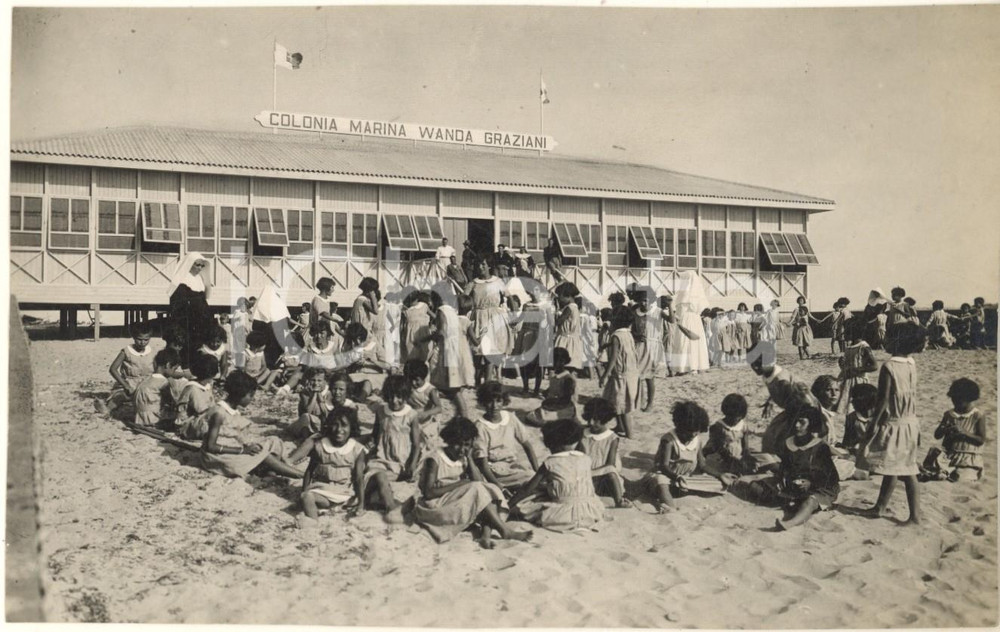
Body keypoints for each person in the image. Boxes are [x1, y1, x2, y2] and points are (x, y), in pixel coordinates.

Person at [413, 417, 532, 548]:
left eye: (466, 445)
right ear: (449, 441)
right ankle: (504, 530)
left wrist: (469, 458)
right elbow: (428, 493)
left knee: (489, 489)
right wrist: (460, 484)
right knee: (477, 489)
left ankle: (486, 535)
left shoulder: (463, 458)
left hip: (454, 501)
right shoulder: (435, 459)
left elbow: (479, 481)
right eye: (457, 444)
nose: (461, 449)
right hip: (435, 506)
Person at [858, 321, 925, 524]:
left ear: (895, 340)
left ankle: (915, 516)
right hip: (911, 422)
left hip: (895, 422)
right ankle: (880, 507)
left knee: (908, 470)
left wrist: (873, 424)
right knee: (896, 466)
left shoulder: (889, 366)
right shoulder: (910, 362)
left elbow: (883, 400)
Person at [741, 406, 840, 530]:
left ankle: (789, 523)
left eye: (802, 422)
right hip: (794, 486)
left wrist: (810, 483)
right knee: (755, 487)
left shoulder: (820, 447)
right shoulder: (789, 443)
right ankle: (792, 501)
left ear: (811, 425)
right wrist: (782, 480)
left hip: (820, 487)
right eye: (795, 421)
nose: (797, 425)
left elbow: (831, 477)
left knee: (810, 501)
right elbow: (785, 466)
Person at [198, 372, 303, 480]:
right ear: (239, 395)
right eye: (250, 395)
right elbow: (211, 446)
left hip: (234, 448)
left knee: (274, 442)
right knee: (263, 454)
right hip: (219, 457)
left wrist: (249, 445)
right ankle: (300, 475)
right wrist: (243, 451)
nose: (251, 399)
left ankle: (270, 473)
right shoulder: (219, 413)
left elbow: (235, 435)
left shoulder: (233, 410)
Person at [509, 418, 606, 531]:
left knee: (528, 503)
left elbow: (528, 489)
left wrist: (509, 504)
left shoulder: (550, 462)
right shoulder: (586, 459)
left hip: (563, 515)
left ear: (552, 444)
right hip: (590, 511)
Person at [287, 408, 368, 528]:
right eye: (335, 425)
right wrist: (303, 492)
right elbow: (309, 471)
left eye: (344, 425)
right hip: (323, 492)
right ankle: (313, 520)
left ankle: (317, 515)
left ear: (352, 428)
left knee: (309, 498)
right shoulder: (321, 446)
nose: (339, 430)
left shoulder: (356, 449)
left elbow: (359, 477)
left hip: (344, 494)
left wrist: (361, 504)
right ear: (329, 426)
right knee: (306, 496)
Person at [641, 401, 727, 513]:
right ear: (679, 425)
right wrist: (676, 477)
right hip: (668, 477)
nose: (693, 435)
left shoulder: (697, 441)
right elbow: (663, 466)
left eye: (696, 432)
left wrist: (720, 475)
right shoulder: (669, 441)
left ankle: (681, 491)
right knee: (660, 481)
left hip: (685, 479)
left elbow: (702, 465)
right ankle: (669, 506)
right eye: (689, 431)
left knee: (720, 483)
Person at [473, 381, 539, 490]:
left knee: (532, 477)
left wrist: (537, 473)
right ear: (483, 402)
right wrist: (498, 486)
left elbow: (527, 445)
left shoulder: (510, 418)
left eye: (498, 401)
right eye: (490, 401)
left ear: (504, 401)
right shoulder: (480, 427)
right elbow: (483, 463)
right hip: (493, 472)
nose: (494, 406)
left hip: (512, 466)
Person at [921, 378, 987, 482]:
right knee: (935, 471)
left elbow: (981, 440)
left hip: (967, 457)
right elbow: (937, 435)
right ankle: (941, 472)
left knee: (959, 476)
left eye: (958, 400)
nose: (955, 403)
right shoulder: (949, 414)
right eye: (953, 399)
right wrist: (943, 429)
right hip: (949, 455)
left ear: (969, 399)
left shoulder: (977, 415)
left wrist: (964, 433)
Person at [427, 291, 475, 417]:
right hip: (457, 350)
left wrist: (429, 337)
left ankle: (463, 416)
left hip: (449, 353)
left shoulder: (441, 311)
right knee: (448, 385)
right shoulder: (452, 311)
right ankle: (459, 415)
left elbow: (442, 332)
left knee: (451, 388)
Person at [465, 260, 512, 383]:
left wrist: (514, 314)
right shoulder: (473, 283)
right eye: (478, 264)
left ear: (489, 266)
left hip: (494, 319)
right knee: (478, 350)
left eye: (483, 264)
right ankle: (477, 380)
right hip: (479, 317)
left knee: (491, 351)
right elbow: (463, 299)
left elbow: (510, 297)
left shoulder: (497, 282)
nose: (481, 267)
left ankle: (488, 380)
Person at [95, 322, 155, 417]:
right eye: (139, 339)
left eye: (146, 340)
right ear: (134, 337)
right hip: (129, 382)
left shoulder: (151, 352)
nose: (142, 342)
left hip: (146, 382)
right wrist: (125, 385)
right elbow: (113, 369)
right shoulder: (126, 351)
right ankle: (107, 409)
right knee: (121, 396)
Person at [579, 398, 630, 508]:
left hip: (603, 477)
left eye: (596, 420)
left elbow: (610, 463)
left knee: (611, 471)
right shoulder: (583, 434)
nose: (591, 423)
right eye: (589, 419)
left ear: (605, 419)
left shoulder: (612, 438)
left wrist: (593, 472)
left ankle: (619, 501)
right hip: (585, 476)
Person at [599, 308, 640, 439]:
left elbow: (613, 358)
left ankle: (630, 434)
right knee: (617, 401)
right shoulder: (628, 334)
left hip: (620, 375)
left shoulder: (616, 336)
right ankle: (620, 426)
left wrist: (605, 375)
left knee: (623, 405)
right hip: (630, 373)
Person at [167, 253, 215, 364]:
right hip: (186, 320)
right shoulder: (182, 280)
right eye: (197, 265)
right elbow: (179, 304)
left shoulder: (199, 279)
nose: (200, 268)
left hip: (200, 320)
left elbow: (203, 299)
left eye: (202, 266)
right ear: (189, 264)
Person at [704, 394, 759, 476]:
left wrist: (747, 457)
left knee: (760, 462)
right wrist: (734, 461)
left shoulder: (743, 425)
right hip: (723, 458)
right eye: (734, 417)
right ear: (727, 414)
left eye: (739, 418)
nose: (737, 420)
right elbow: (720, 449)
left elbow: (745, 446)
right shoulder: (719, 427)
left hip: (738, 456)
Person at [667, 271, 710, 375]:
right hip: (696, 321)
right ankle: (696, 366)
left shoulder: (684, 295)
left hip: (685, 319)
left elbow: (680, 311)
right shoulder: (698, 296)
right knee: (695, 343)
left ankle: (685, 366)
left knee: (684, 342)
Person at [525, 347, 578, 427]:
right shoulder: (555, 376)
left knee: (540, 418)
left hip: (563, 407)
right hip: (554, 405)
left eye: (557, 361)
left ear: (563, 362)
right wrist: (547, 392)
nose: (553, 364)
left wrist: (551, 402)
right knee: (531, 416)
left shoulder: (567, 379)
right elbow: (555, 388)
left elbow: (567, 400)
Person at [835, 318, 878, 413]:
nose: (844, 334)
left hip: (858, 380)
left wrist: (857, 370)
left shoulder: (864, 347)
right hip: (846, 380)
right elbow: (847, 364)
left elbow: (874, 366)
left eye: (846, 331)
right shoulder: (849, 347)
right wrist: (842, 363)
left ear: (854, 332)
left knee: (858, 407)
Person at [132, 348, 183, 428]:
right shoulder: (163, 382)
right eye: (174, 369)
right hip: (152, 418)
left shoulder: (147, 379)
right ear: (168, 365)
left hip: (138, 417)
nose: (174, 372)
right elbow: (169, 401)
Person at [631, 287, 662, 410]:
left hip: (652, 347)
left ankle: (650, 403)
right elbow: (631, 329)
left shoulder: (657, 311)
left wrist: (670, 305)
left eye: (647, 300)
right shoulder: (634, 312)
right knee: (637, 374)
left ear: (652, 300)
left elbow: (671, 320)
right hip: (639, 346)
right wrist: (636, 336)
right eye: (642, 300)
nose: (645, 303)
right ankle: (638, 400)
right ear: (638, 301)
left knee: (649, 377)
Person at [174, 354, 219, 440]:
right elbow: (201, 409)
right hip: (187, 424)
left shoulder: (206, 386)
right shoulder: (193, 388)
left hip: (200, 417)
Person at [288, 369, 334, 440]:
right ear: (309, 381)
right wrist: (314, 394)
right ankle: (307, 439)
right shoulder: (305, 393)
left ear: (325, 382)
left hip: (320, 423)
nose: (316, 383)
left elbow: (325, 413)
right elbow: (308, 411)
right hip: (305, 424)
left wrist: (319, 395)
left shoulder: (329, 393)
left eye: (319, 380)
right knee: (306, 417)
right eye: (313, 380)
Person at [839, 383, 878, 458]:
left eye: (855, 398)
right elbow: (848, 442)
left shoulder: (880, 418)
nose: (851, 402)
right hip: (857, 454)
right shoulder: (851, 418)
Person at [553, 283, 584, 372]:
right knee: (570, 365)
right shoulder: (575, 307)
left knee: (562, 363)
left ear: (568, 296)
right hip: (573, 338)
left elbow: (559, 322)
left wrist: (557, 311)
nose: (558, 298)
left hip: (565, 339)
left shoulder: (569, 308)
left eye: (560, 296)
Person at [401, 291, 433, 364]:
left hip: (411, 333)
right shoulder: (423, 306)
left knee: (413, 353)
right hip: (422, 331)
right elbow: (434, 316)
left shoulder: (407, 311)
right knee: (424, 352)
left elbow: (403, 326)